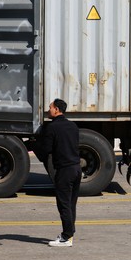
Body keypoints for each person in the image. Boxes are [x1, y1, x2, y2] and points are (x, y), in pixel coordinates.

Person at [35, 98, 81, 247]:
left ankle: (66, 238)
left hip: (64, 170)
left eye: (50, 107)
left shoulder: (52, 127)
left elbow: (46, 150)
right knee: (71, 204)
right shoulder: (73, 126)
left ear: (56, 110)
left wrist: (35, 146)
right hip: (76, 168)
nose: (48, 110)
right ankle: (69, 233)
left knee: (64, 205)